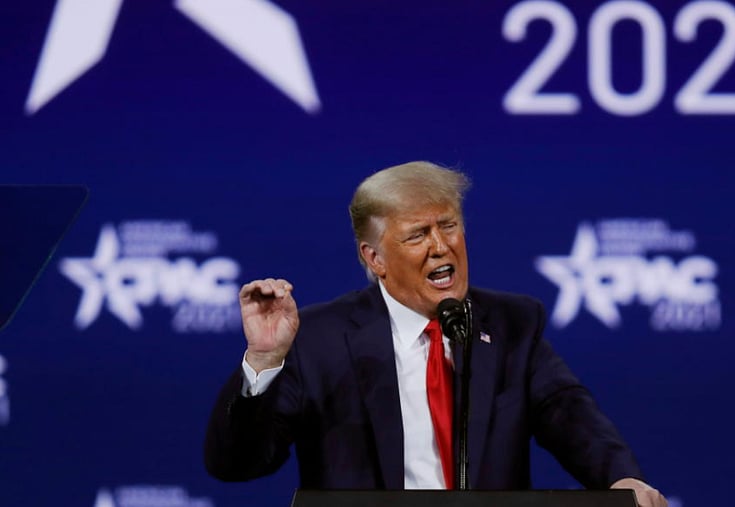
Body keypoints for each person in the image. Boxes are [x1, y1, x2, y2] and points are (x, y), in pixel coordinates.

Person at [204, 161, 667, 507]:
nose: (441, 246)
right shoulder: (320, 338)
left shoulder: (510, 325)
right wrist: (264, 361)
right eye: (417, 235)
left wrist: (619, 480)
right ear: (375, 259)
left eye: (449, 226)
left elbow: (571, 415)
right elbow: (238, 464)